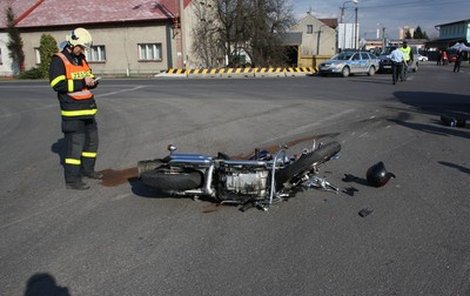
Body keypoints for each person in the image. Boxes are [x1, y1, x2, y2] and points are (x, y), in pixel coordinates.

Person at [49, 28, 103, 190]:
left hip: (87, 109)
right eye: (81, 47)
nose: (83, 50)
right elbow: (57, 84)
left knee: (92, 142)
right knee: (76, 146)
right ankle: (72, 180)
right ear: (72, 43)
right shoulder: (59, 60)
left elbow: (87, 77)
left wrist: (93, 81)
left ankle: (88, 170)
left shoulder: (81, 59)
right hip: (72, 112)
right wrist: (83, 83)